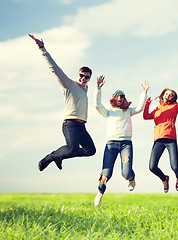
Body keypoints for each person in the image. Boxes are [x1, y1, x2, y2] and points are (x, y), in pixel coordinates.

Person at [29, 34, 96, 172]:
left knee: (90, 150)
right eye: (81, 75)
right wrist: (42, 48)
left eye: (87, 77)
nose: (83, 78)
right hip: (70, 124)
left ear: (89, 79)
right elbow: (54, 68)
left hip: (82, 127)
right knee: (72, 148)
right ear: (77, 74)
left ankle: (60, 157)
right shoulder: (69, 84)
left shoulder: (85, 89)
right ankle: (50, 158)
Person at [94, 76, 150, 206]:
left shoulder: (128, 111)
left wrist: (144, 92)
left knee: (126, 173)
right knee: (106, 173)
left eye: (122, 97)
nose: (120, 98)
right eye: (118, 97)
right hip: (111, 145)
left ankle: (132, 178)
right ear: (114, 99)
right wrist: (98, 88)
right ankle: (100, 192)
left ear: (124, 100)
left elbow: (140, 107)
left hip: (126, 145)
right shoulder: (108, 112)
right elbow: (97, 105)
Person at [143, 71, 178, 193]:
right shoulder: (157, 109)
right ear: (163, 95)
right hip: (158, 140)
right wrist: (147, 104)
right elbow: (146, 116)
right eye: (167, 93)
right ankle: (164, 178)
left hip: (171, 139)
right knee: (152, 167)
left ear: (173, 98)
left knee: (174, 166)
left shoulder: (175, 107)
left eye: (171, 95)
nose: (168, 95)